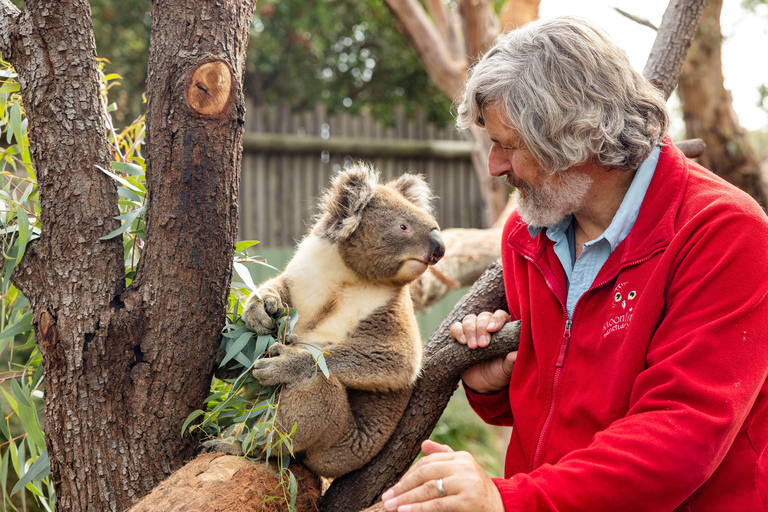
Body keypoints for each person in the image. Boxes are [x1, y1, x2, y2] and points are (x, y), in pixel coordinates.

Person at [381, 15, 768, 512]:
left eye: (509, 145)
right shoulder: (529, 234)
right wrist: (497, 387)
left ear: (577, 137)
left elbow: (682, 436)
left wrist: (510, 502)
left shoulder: (724, 233)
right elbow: (561, 401)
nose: (496, 164)